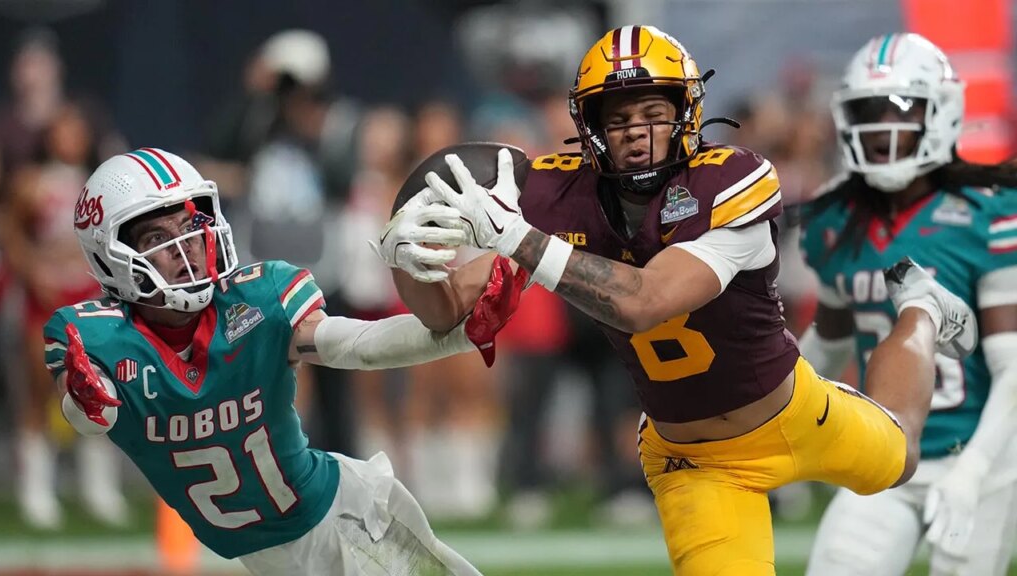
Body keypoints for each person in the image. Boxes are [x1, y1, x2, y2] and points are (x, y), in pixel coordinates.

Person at [374, 25, 978, 575]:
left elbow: (646, 300)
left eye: (653, 112)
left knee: (899, 453)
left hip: (793, 413)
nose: (636, 129)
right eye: (617, 117)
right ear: (590, 126)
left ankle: (921, 308)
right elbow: (446, 310)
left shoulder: (731, 179)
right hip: (693, 459)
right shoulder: (557, 193)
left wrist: (519, 238)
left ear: (686, 113)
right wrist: (411, 263)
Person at [43, 148, 525, 575]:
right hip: (271, 555)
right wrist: (84, 406)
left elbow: (354, 344)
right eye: (155, 236)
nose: (183, 244)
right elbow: (89, 416)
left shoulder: (256, 299)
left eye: (190, 224)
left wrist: (458, 335)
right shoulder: (95, 336)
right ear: (109, 255)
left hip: (347, 524)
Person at [800, 33, 1017, 576]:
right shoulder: (835, 218)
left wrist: (976, 471)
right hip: (885, 449)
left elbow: (1012, 367)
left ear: (940, 115)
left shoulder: (985, 214)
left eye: (898, 111)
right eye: (867, 113)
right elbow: (826, 346)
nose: (881, 130)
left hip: (982, 454)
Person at [0, 104, 128, 529]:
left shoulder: (102, 183)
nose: (69, 137)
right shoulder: (30, 182)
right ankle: (36, 488)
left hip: (91, 297)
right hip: (45, 300)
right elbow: (8, 229)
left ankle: (99, 486)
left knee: (100, 387)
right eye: (61, 129)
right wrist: (31, 269)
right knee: (39, 388)